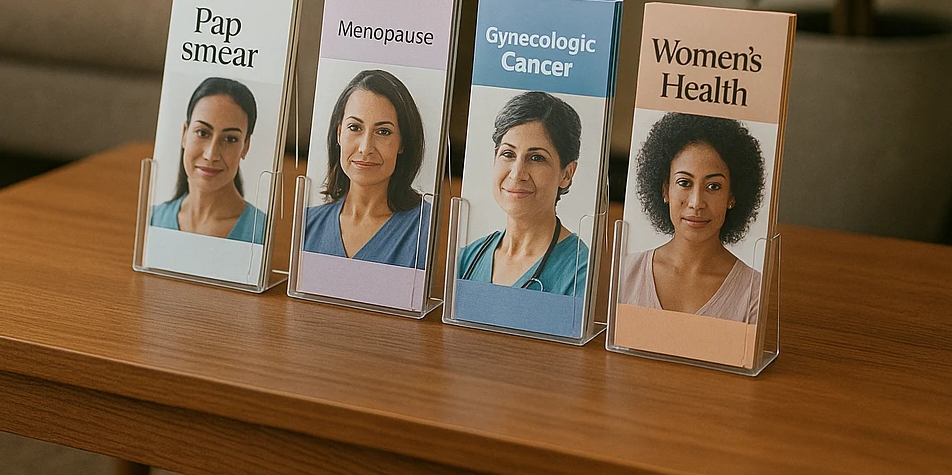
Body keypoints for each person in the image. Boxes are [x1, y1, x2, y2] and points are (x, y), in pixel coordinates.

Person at [620, 112, 765, 322]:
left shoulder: (753, 291)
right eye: (684, 183)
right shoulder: (625, 272)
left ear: (732, 197)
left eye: (713, 186)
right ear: (665, 190)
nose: (696, 202)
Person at [456, 90, 589, 295]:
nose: (517, 174)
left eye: (536, 158)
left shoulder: (580, 270)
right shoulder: (467, 259)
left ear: (567, 173)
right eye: (508, 154)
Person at [303, 69, 432, 268]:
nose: (365, 148)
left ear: (402, 143)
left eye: (383, 131)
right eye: (355, 128)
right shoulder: (307, 223)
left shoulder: (428, 227)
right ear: (339, 133)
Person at [150, 77, 267, 242]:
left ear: (245, 146)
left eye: (230, 139)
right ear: (185, 134)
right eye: (202, 133)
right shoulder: (153, 219)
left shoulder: (263, 231)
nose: (211, 155)